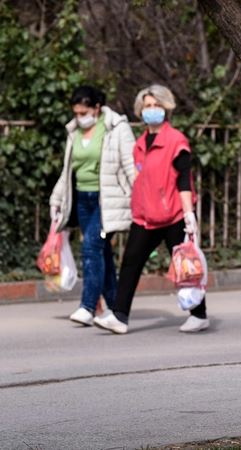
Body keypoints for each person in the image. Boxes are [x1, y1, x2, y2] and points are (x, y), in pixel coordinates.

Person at [94, 84, 209, 334]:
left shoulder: (176, 140)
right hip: (146, 216)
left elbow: (183, 179)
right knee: (130, 263)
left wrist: (189, 214)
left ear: (166, 108)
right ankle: (120, 317)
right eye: (147, 106)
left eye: (156, 105)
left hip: (174, 216)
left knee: (185, 266)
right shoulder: (140, 144)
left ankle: (199, 315)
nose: (152, 109)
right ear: (140, 110)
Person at [50, 85, 136, 326]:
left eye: (83, 112)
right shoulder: (74, 131)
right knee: (103, 254)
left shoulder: (116, 128)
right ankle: (115, 308)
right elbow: (69, 170)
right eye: (76, 113)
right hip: (82, 199)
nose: (79, 117)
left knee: (90, 248)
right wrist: (56, 200)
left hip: (105, 200)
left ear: (97, 108)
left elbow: (130, 164)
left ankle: (88, 307)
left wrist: (138, 196)